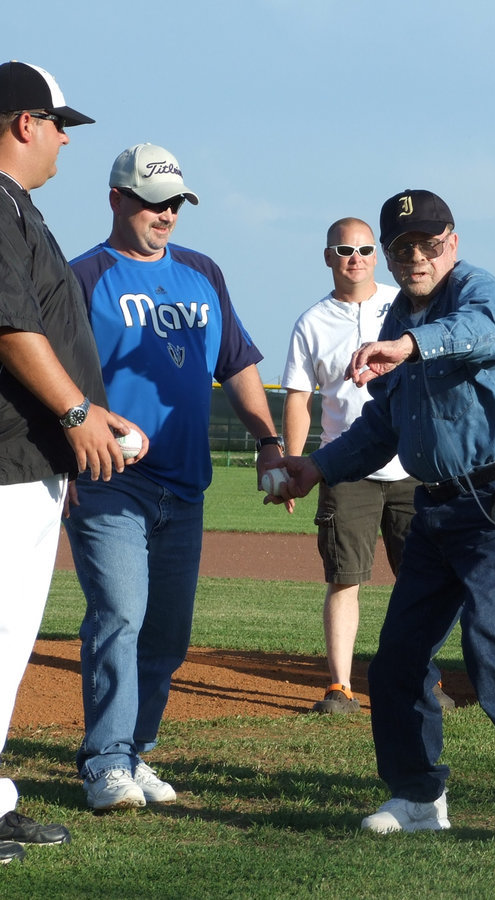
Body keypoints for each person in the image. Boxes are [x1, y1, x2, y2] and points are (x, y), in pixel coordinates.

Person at [267, 189, 495, 837]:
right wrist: (317, 466)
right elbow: (382, 424)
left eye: (430, 243)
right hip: (438, 501)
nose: (418, 256)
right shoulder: (397, 322)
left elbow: (475, 333)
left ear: (453, 243)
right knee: (398, 659)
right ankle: (418, 797)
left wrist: (409, 346)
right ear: (389, 254)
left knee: (490, 638)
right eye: (404, 247)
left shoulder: (478, 290)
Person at [65, 143, 283, 812]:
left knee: (166, 635)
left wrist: (271, 441)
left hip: (185, 485)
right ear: (115, 199)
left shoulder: (202, 273)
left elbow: (237, 364)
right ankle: (104, 763)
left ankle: (134, 753)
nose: (166, 215)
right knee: (120, 614)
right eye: (153, 202)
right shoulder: (83, 277)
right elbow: (57, 380)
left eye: (175, 204)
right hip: (111, 482)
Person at [0, 59, 135, 864]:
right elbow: (11, 328)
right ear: (22, 123)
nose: (62, 140)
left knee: (12, 643)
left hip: (27, 460)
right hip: (8, 462)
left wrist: (94, 410)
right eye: (57, 124)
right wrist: (77, 411)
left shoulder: (18, 209)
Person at [281, 217, 429, 714]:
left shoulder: (404, 305)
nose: (356, 258)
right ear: (328, 257)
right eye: (344, 249)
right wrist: (296, 463)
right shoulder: (312, 322)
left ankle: (423, 681)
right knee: (346, 577)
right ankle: (341, 687)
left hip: (411, 464)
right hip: (345, 469)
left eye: (366, 248)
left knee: (422, 581)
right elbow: (299, 399)